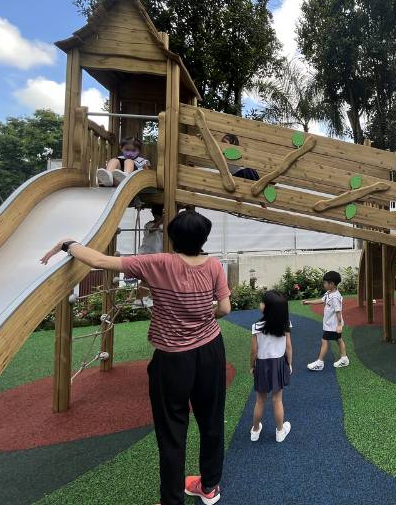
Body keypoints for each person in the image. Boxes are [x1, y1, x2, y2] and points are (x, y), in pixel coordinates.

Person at [40, 210, 231, 505]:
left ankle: (171, 500)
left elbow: (100, 261)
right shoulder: (214, 265)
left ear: (172, 237)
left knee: (171, 431)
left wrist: (68, 244)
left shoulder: (157, 263)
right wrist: (205, 315)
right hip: (210, 351)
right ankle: (209, 487)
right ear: (204, 238)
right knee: (211, 421)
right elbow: (225, 309)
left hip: (172, 359)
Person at [250, 290, 293, 443]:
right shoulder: (285, 325)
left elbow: (254, 351)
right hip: (279, 363)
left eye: (263, 302)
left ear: (267, 308)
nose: (260, 304)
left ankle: (255, 430)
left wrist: (252, 365)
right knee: (277, 400)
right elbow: (288, 346)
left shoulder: (256, 326)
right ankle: (280, 431)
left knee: (260, 400)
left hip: (262, 365)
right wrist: (289, 363)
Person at [303, 271, 349, 370]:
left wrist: (339, 325)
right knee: (338, 339)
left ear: (331, 284)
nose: (324, 284)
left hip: (333, 325)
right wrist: (309, 302)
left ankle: (320, 362)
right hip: (331, 324)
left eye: (325, 283)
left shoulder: (335, 297)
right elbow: (321, 300)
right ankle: (344, 358)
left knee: (324, 340)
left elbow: (338, 311)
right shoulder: (329, 293)